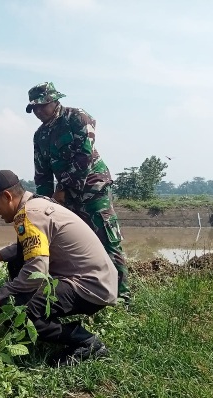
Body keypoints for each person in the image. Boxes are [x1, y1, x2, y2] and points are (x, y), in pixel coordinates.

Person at [0, 170, 117, 366]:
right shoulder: (36, 205)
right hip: (97, 280)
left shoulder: (29, 215)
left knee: (12, 309)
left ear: (7, 196)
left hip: (90, 286)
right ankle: (46, 324)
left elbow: (37, 271)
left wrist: (0, 296)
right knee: (17, 267)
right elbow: (29, 248)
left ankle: (85, 342)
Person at [25, 82, 130, 302]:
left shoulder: (77, 117)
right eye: (34, 108)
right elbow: (42, 175)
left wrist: (61, 189)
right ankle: (85, 291)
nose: (38, 112)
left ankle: (122, 297)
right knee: (74, 245)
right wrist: (43, 204)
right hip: (67, 198)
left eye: (42, 106)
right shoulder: (40, 136)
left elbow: (84, 157)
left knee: (107, 240)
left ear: (54, 101)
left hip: (93, 191)